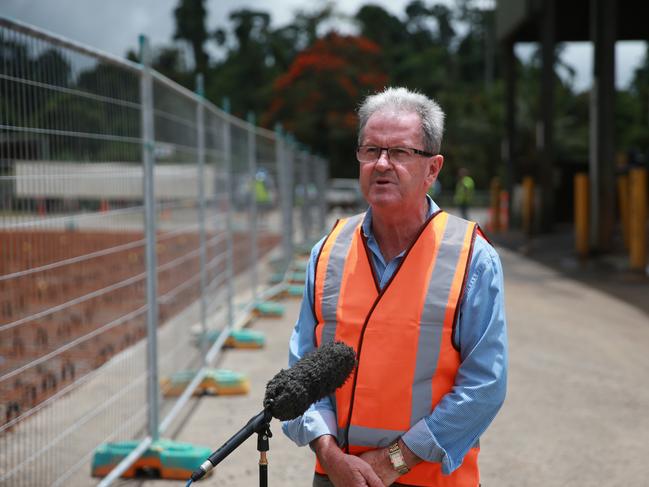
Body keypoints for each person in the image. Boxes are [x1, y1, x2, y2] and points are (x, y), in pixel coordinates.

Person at [283, 87, 507, 487]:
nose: (381, 164)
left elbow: (485, 385)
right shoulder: (328, 251)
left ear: (433, 169)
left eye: (400, 152)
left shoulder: (472, 257)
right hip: (337, 475)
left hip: (429, 479)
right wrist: (329, 453)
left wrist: (394, 461)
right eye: (370, 150)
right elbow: (302, 368)